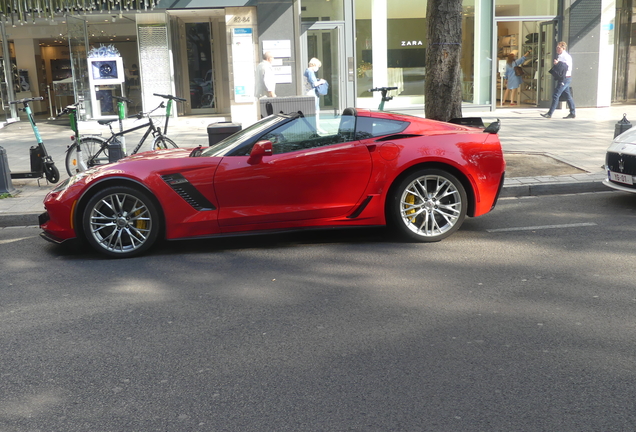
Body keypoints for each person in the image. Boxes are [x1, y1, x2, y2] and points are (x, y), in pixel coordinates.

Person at [541, 41, 576, 119]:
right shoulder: (560, 56)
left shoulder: (566, 56)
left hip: (565, 78)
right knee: (567, 96)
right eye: (557, 47)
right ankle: (572, 112)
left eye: (558, 47)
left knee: (556, 95)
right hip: (564, 78)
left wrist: (558, 63)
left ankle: (550, 113)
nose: (557, 49)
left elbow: (566, 67)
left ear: (563, 48)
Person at [304, 58, 327, 132]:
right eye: (317, 66)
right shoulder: (310, 72)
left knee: (314, 110)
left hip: (308, 93)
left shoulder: (307, 71)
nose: (317, 68)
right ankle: (317, 128)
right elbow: (314, 84)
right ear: (313, 65)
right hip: (312, 93)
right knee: (316, 111)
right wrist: (321, 81)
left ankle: (316, 128)